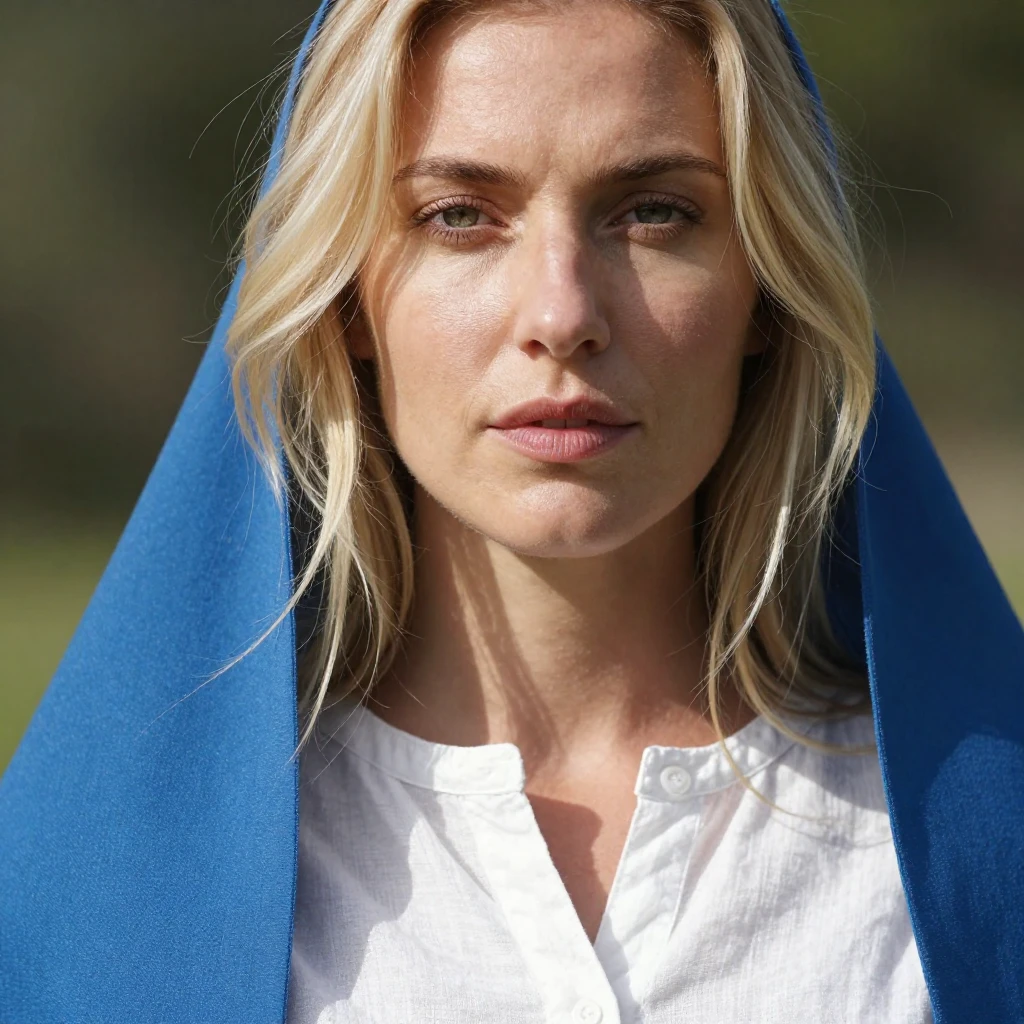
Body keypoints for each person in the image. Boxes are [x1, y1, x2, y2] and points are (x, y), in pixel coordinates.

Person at [1, 1, 1022, 1022]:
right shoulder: (100, 883)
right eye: (459, 215)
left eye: (653, 210)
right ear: (349, 296)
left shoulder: (969, 854)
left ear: (765, 283)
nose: (562, 314)